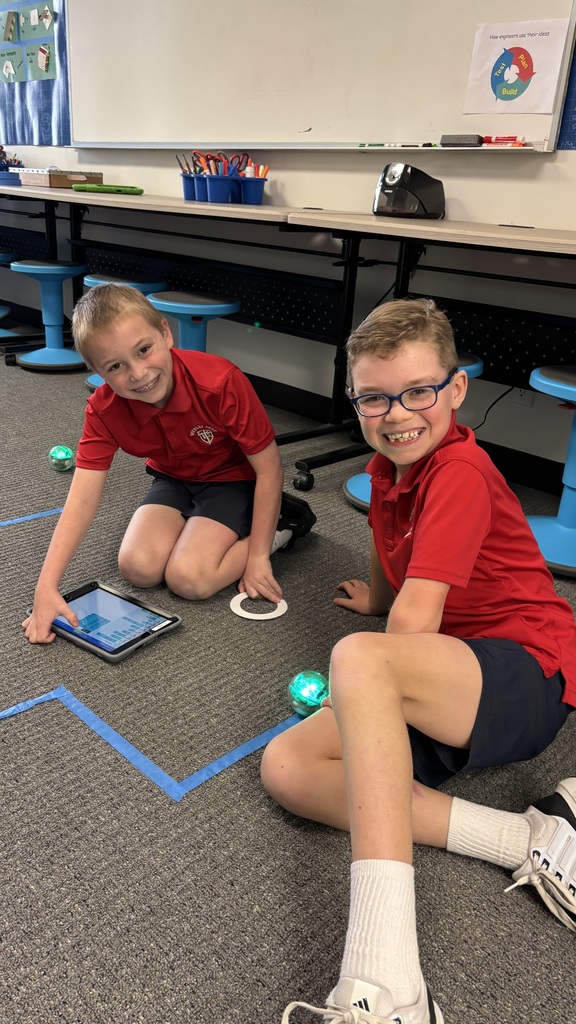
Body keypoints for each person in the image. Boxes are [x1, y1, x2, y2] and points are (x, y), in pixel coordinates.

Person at [261, 298, 576, 1024]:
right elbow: (387, 545)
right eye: (373, 396)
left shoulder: (460, 469)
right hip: (448, 675)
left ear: (456, 389)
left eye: (417, 391)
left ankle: (390, 983)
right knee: (289, 768)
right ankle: (524, 838)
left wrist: (368, 676)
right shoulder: (386, 465)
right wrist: (373, 599)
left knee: (359, 664)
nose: (396, 412)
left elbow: (416, 619)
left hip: (527, 673)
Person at [22, 284, 315, 644]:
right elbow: (81, 498)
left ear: (165, 333)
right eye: (116, 366)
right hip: (172, 479)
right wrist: (46, 586)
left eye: (144, 350)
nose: (139, 373)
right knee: (137, 568)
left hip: (233, 481)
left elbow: (270, 468)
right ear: (96, 370)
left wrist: (257, 557)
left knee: (190, 579)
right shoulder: (103, 409)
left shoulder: (221, 382)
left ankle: (282, 527)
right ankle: (201, 528)